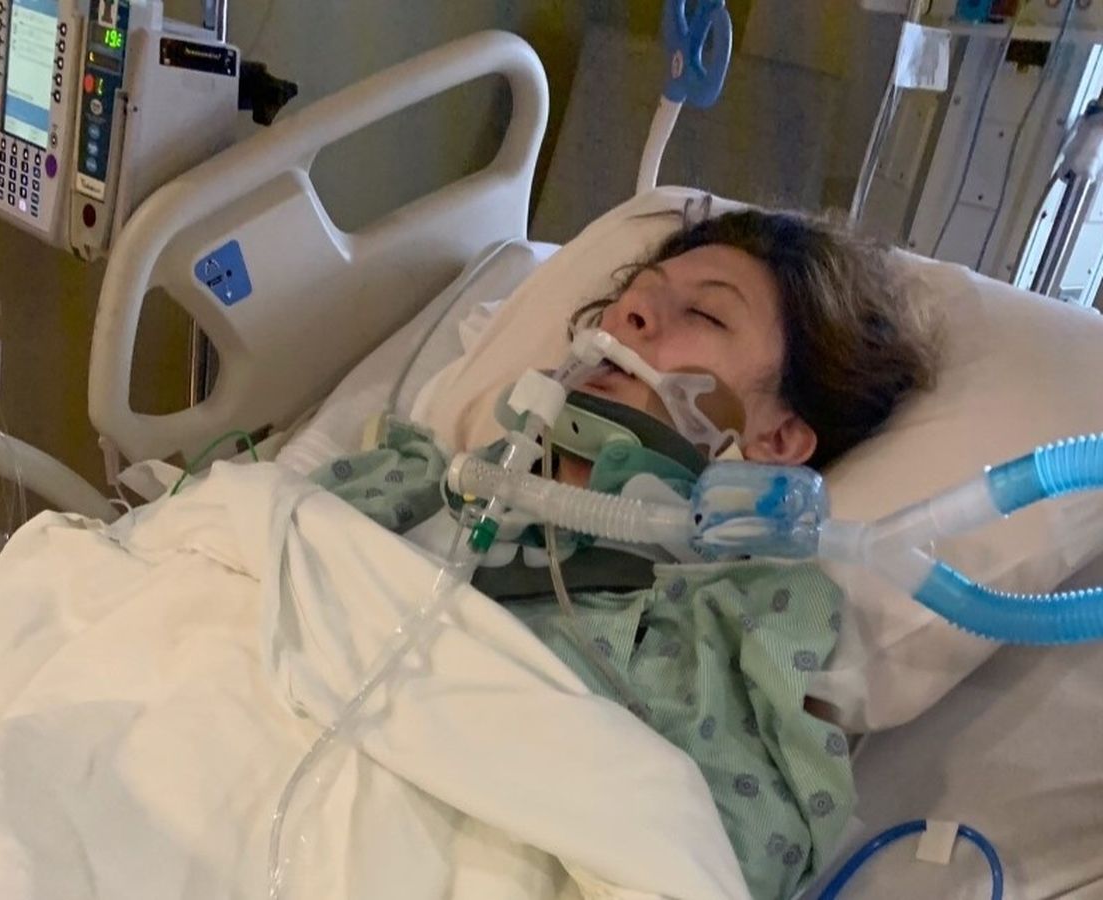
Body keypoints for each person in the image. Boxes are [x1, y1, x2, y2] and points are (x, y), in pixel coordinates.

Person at [310, 208, 939, 900]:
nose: (629, 313)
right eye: (634, 293)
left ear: (778, 440)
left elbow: (719, 860)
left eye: (704, 314)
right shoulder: (418, 485)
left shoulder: (737, 622)